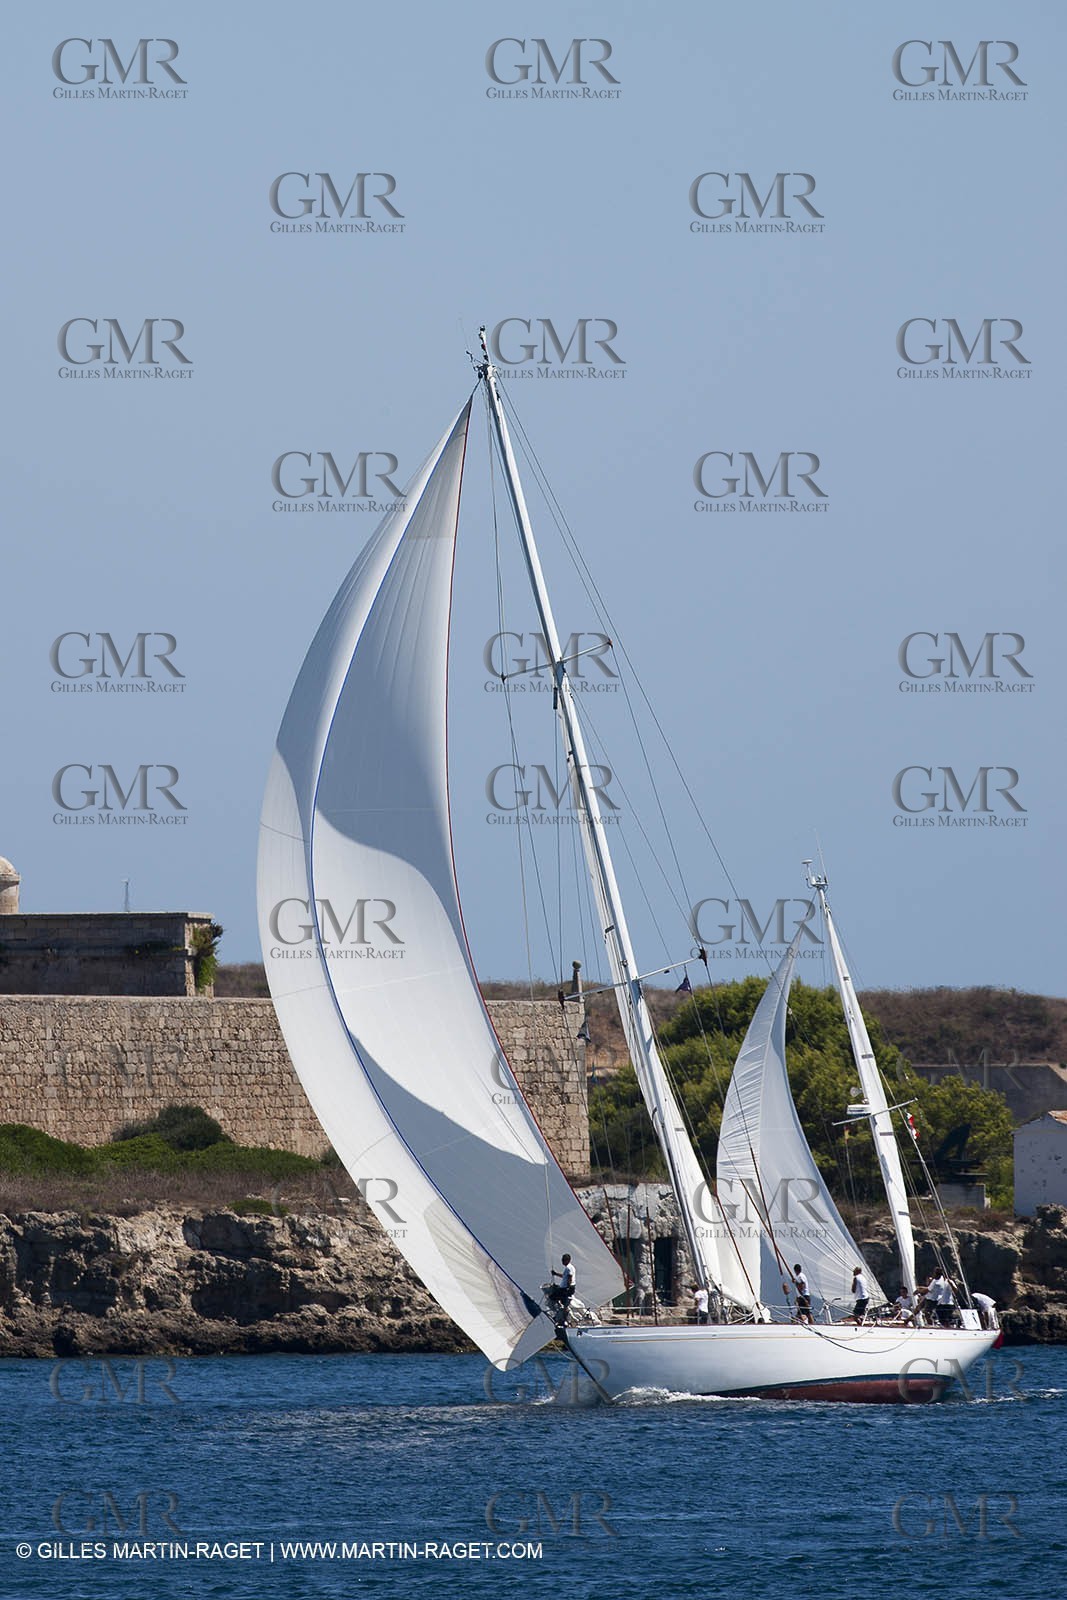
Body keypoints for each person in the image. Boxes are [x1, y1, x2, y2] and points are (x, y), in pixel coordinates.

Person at [548, 1254, 576, 1323]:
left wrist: (567, 1287)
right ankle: (562, 1315)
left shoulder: (569, 1268)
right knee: (563, 1302)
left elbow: (569, 1278)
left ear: (568, 1260)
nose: (562, 1261)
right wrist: (555, 1274)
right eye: (562, 1260)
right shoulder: (569, 1267)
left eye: (564, 1260)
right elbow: (564, 1276)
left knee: (551, 1297)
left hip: (566, 1289)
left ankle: (560, 1315)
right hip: (566, 1288)